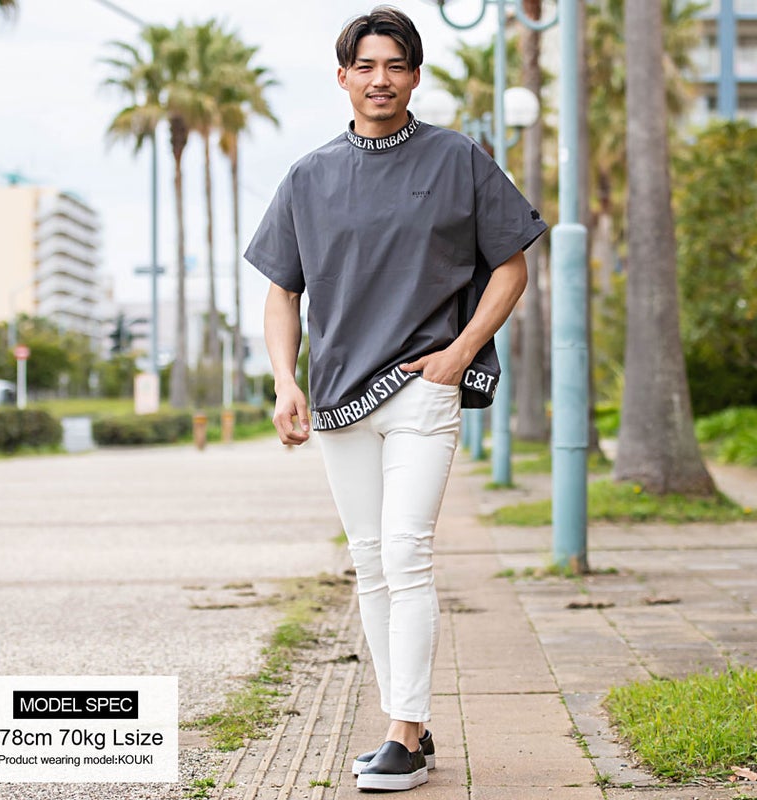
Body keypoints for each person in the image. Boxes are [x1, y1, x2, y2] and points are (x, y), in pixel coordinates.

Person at [245, 6, 547, 792]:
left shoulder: (458, 159)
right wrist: (285, 380)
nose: (380, 79)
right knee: (370, 563)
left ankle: (403, 737)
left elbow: (511, 265)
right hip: (338, 399)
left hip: (421, 387)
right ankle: (406, 717)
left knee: (407, 553)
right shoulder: (308, 176)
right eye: (366, 66)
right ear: (343, 76)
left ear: (414, 75)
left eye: (395, 65)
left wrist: (461, 351)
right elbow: (282, 292)